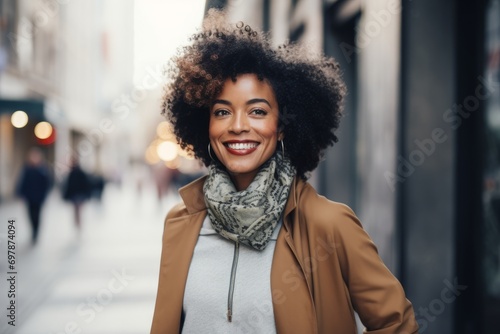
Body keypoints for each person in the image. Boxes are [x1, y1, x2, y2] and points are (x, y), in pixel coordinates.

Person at [151, 10, 418, 334]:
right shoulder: (181, 223)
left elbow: (397, 324)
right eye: (222, 111)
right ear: (205, 125)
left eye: (258, 111)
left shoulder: (328, 225)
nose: (238, 126)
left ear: (282, 127)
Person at [16, 147, 52, 244]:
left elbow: (48, 183)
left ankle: (36, 232)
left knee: (37, 215)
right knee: (30, 215)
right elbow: (22, 181)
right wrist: (20, 193)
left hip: (39, 197)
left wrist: (45, 195)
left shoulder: (43, 169)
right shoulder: (27, 168)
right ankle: (33, 230)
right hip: (29, 197)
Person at [62, 158, 92, 230]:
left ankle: (78, 223)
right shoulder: (75, 173)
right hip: (78, 195)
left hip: (78, 195)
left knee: (77, 210)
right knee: (77, 210)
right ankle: (78, 223)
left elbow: (85, 185)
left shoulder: (75, 173)